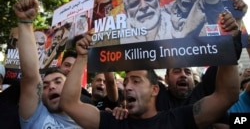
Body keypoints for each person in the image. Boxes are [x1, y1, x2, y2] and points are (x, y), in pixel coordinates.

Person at [60, 29, 240, 129]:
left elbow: (227, 96)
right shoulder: (112, 122)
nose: (128, 86)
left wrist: (227, 44)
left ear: (155, 89)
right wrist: (82, 57)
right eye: (127, 81)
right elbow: (69, 104)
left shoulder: (178, 120)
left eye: (136, 81)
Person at [13, 0, 81, 128]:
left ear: (71, 87)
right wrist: (25, 22)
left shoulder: (90, 120)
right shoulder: (36, 116)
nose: (51, 87)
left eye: (58, 81)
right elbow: (31, 76)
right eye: (44, 86)